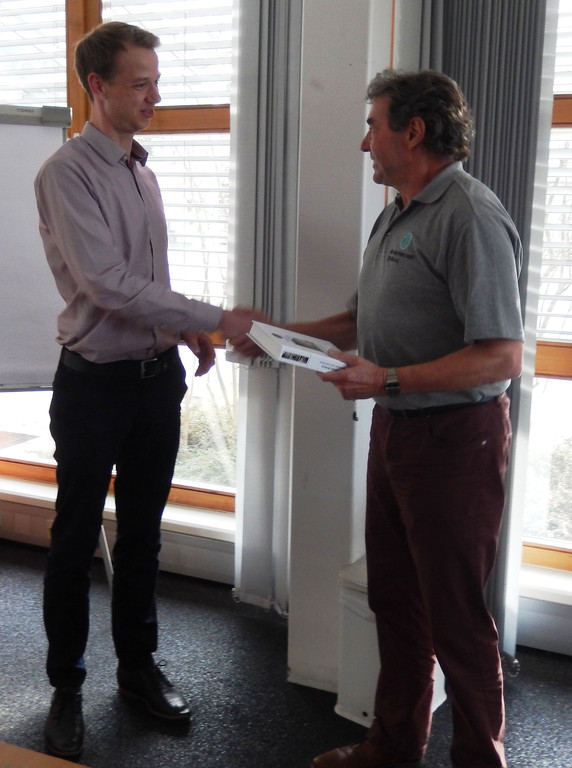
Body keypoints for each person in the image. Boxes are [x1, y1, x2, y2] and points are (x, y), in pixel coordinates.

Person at [236, 69, 524, 768]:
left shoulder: (470, 215)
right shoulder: (397, 212)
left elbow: (501, 355)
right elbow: (359, 320)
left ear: (413, 131)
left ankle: (479, 760)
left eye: (373, 126)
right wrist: (274, 335)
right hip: (397, 432)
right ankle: (392, 748)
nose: (365, 143)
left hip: (456, 442)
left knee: (456, 617)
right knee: (396, 601)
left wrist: (387, 378)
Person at [34, 21, 260, 759]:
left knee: (142, 536)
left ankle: (137, 670)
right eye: (140, 83)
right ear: (97, 87)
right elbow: (107, 285)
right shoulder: (67, 174)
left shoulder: (141, 169)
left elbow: (143, 284)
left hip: (155, 382)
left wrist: (183, 329)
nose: (154, 96)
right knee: (74, 539)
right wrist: (216, 317)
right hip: (93, 387)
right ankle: (66, 687)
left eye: (156, 82)